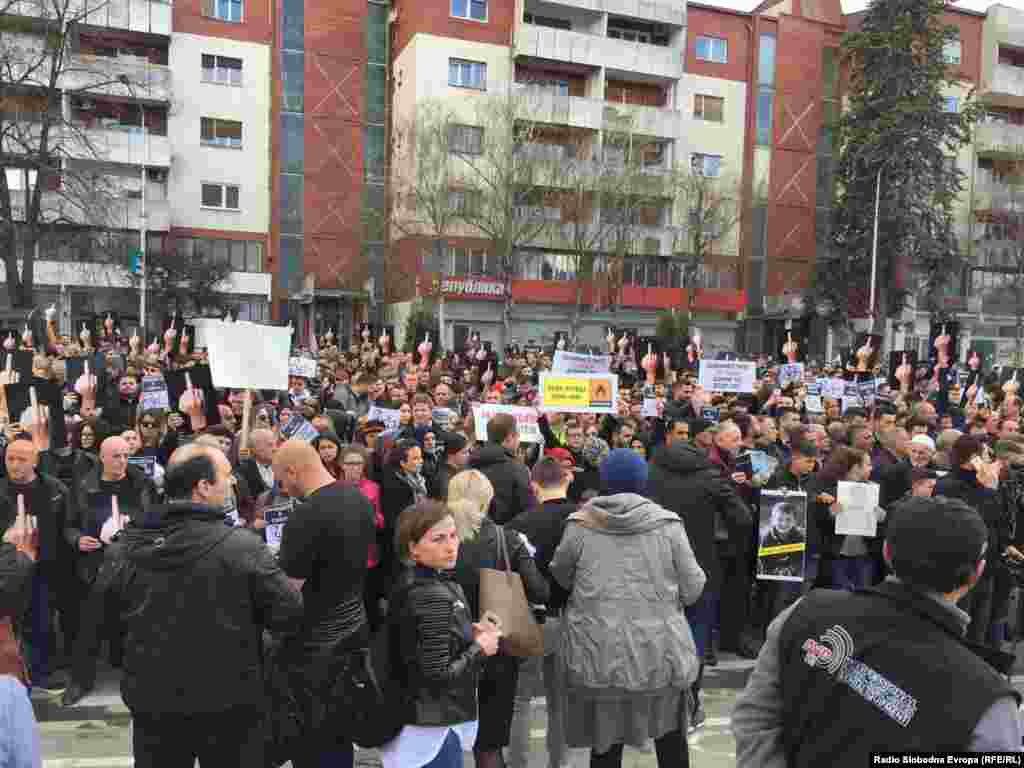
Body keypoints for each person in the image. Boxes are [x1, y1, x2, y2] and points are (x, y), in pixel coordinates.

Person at [732, 495, 1023, 765]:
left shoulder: (805, 611)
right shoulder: (989, 698)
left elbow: (755, 718)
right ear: (977, 573)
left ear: (887, 552)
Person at [69, 443, 303, 766]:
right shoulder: (242, 547)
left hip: (155, 699)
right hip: (228, 701)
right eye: (225, 475)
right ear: (203, 487)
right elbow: (288, 613)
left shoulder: (127, 546)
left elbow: (104, 618)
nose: (232, 482)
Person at [551, 449, 706, 767]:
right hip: (660, 652)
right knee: (671, 737)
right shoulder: (668, 525)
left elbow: (561, 575)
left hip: (598, 651)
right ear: (642, 480)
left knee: (605, 740)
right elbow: (693, 589)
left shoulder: (580, 525)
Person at [273, 438, 378, 768]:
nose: (282, 488)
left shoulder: (304, 518)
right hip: (353, 633)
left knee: (314, 745)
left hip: (313, 648)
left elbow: (288, 592)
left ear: (293, 470)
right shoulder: (358, 499)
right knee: (339, 738)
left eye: (281, 479)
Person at [646, 427, 751, 728]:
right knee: (695, 638)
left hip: (655, 567)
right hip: (701, 567)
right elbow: (742, 518)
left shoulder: (651, 474)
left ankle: (655, 707)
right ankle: (688, 707)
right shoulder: (710, 476)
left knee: (655, 636)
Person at [385, 499, 501, 768]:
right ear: (412, 549)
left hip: (423, 722)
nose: (450, 546)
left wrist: (466, 633)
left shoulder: (419, 581)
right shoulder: (431, 594)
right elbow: (437, 675)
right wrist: (479, 648)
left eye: (453, 536)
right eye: (438, 539)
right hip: (432, 728)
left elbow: (418, 644)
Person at [448, 470, 549, 768]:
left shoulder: (436, 538)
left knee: (443, 737)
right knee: (490, 743)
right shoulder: (508, 540)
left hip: (446, 642)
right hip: (498, 646)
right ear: (489, 500)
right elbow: (539, 591)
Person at [507, 457, 575, 768]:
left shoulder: (517, 525)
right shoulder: (582, 521)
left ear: (534, 487)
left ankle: (519, 763)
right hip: (570, 618)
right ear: (567, 481)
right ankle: (558, 764)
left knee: (520, 701)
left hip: (529, 617)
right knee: (560, 703)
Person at [935, 435, 1004, 646]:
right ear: (973, 458)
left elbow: (998, 519)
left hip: (987, 565)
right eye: (984, 455)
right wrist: (987, 490)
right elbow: (971, 520)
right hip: (960, 567)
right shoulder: (948, 485)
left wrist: (992, 488)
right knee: (959, 628)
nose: (988, 460)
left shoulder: (985, 486)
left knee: (979, 631)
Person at [470, 413, 532, 524]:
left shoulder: (469, 462)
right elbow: (527, 509)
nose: (519, 439)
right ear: (509, 437)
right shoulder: (517, 469)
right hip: (506, 534)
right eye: (517, 435)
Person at [430, 432, 469, 501]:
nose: (468, 455)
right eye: (464, 453)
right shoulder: (444, 478)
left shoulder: (460, 468)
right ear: (451, 455)